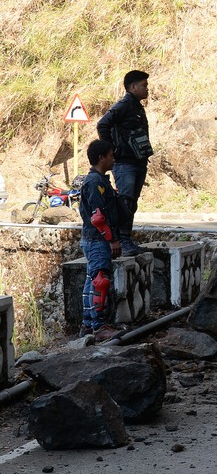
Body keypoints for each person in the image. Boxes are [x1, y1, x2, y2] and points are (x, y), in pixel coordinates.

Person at [96, 70, 152, 256]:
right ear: (133, 87)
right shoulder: (124, 105)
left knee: (131, 203)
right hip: (125, 164)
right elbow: (103, 124)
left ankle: (127, 239)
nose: (147, 89)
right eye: (144, 85)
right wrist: (112, 150)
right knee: (125, 203)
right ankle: (122, 240)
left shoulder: (136, 106)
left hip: (138, 161)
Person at [78, 139, 123, 343]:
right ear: (101, 158)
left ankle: (88, 324)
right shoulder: (95, 182)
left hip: (93, 238)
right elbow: (98, 217)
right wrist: (112, 239)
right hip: (98, 239)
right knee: (100, 281)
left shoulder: (98, 180)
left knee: (91, 279)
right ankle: (99, 327)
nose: (114, 159)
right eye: (111, 155)